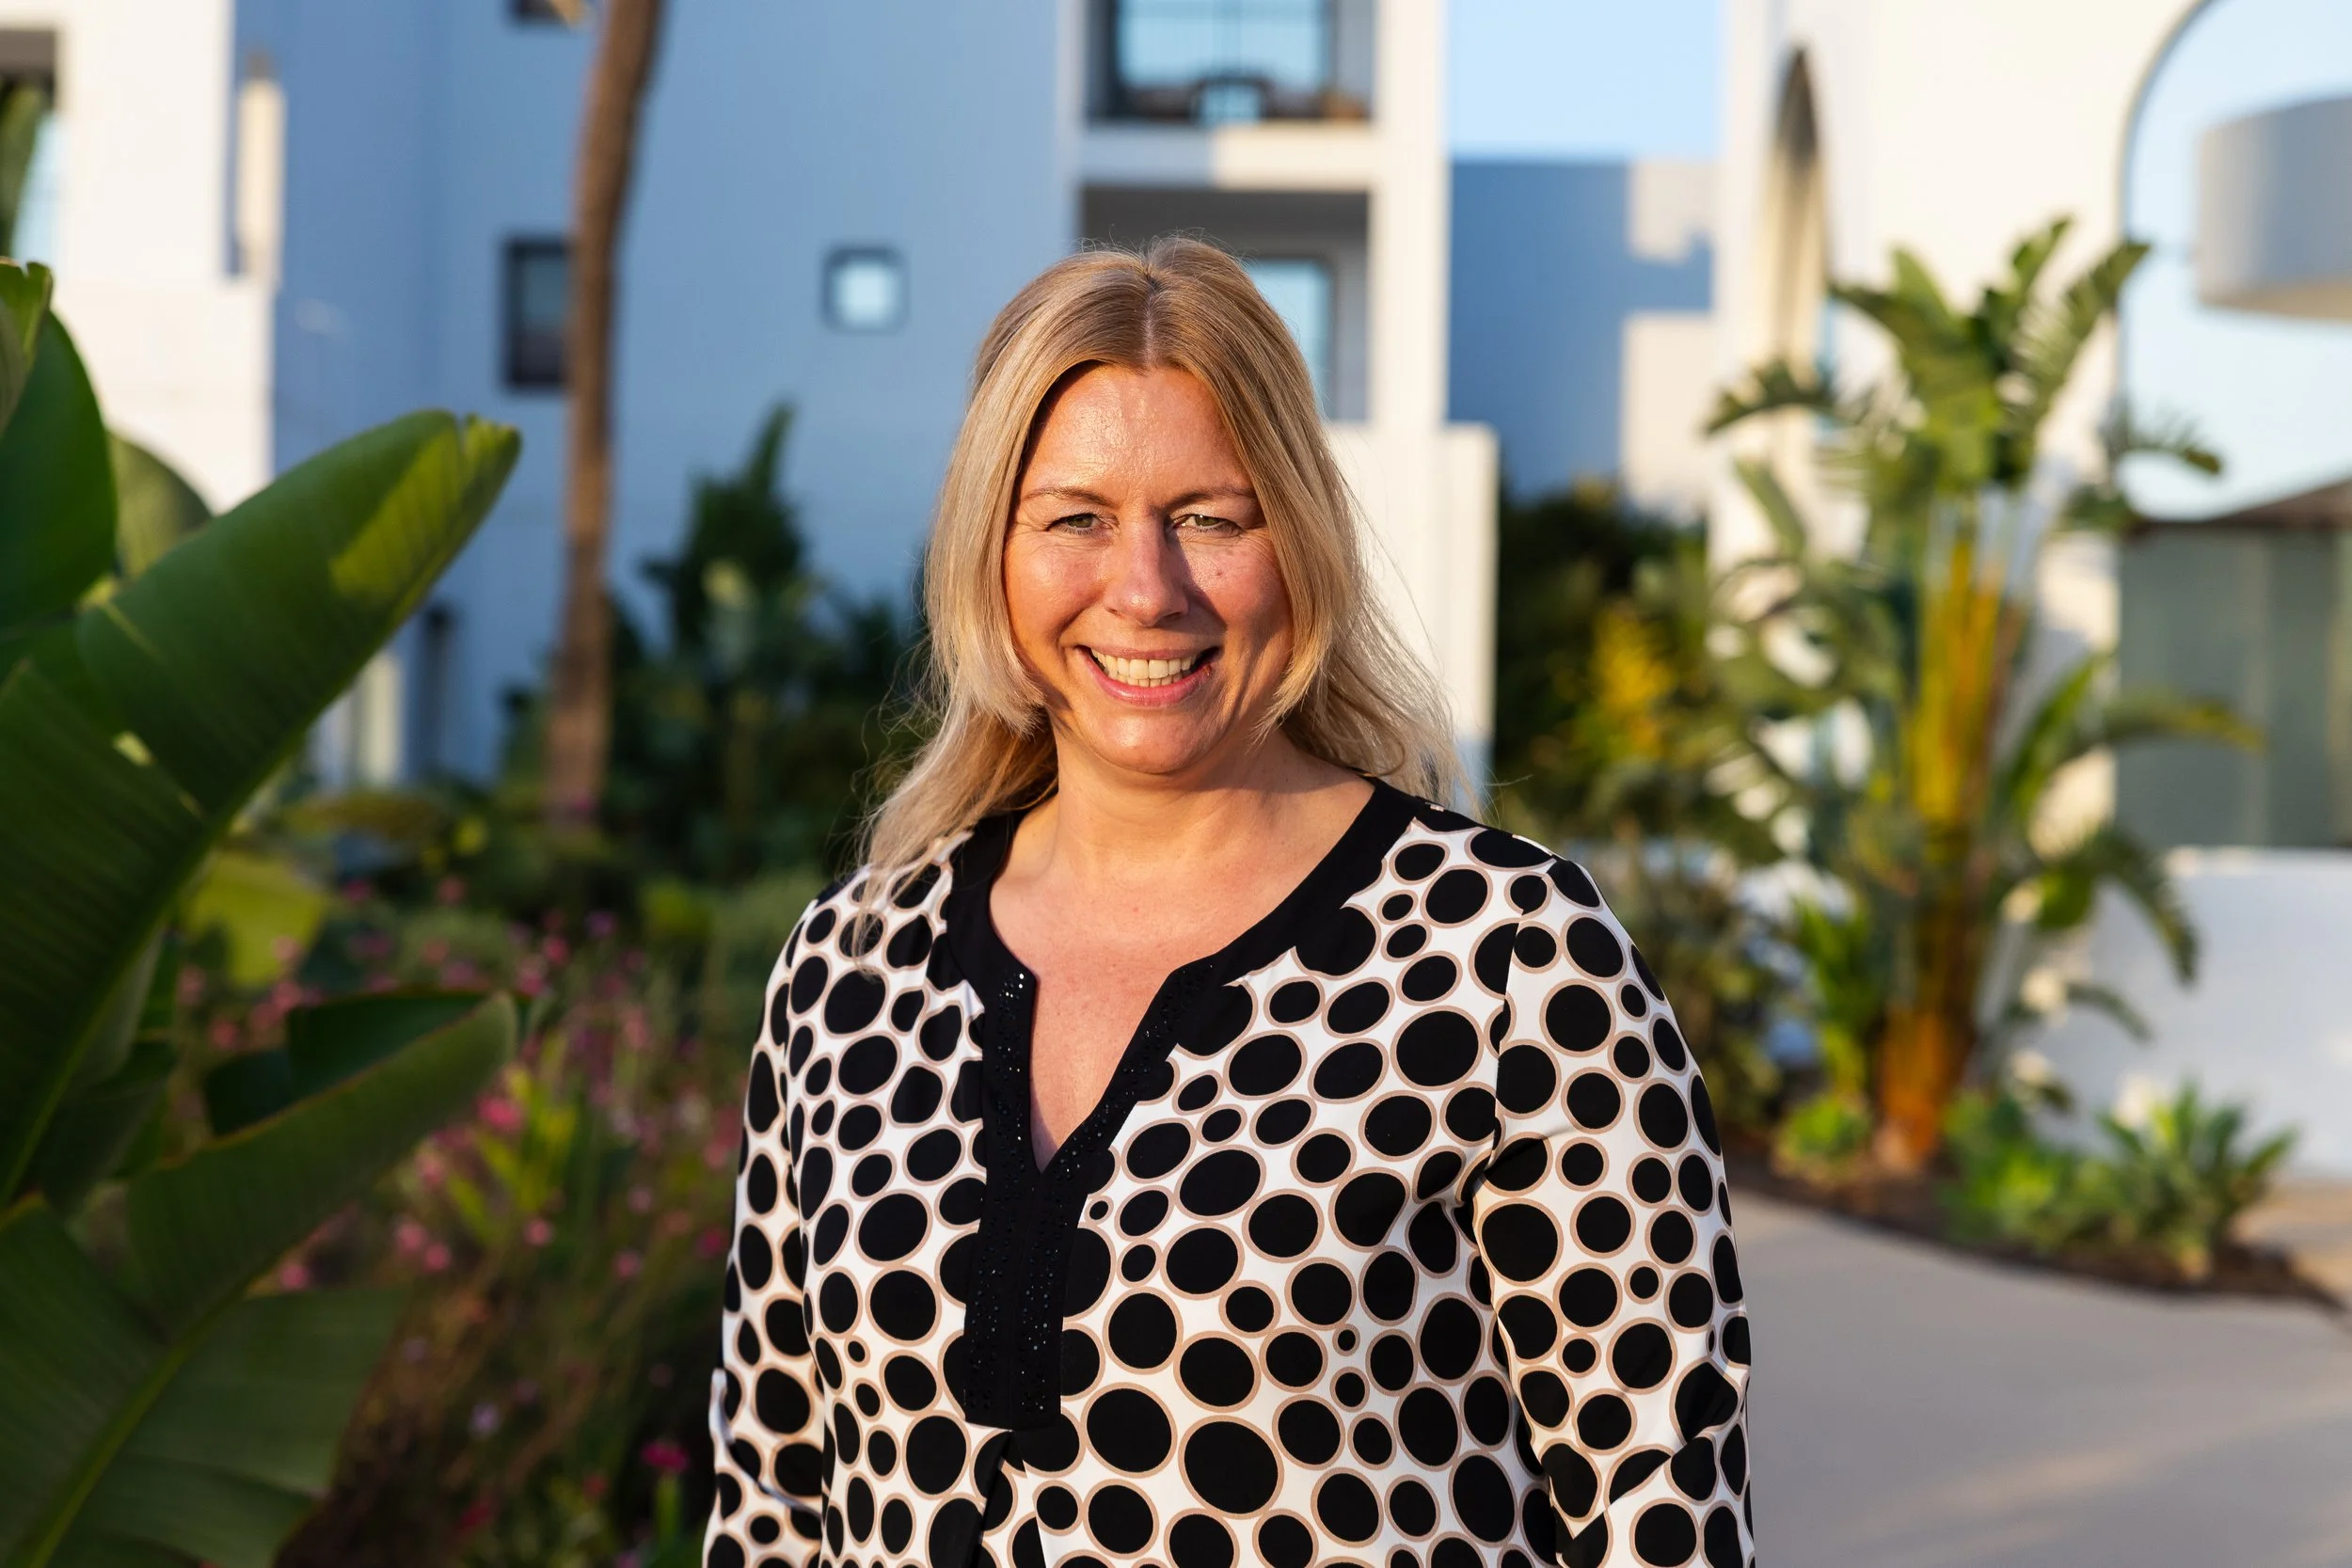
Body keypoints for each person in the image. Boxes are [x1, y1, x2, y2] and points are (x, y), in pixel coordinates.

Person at [705, 238, 1753, 1568]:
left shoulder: (1510, 963)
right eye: (1075, 517)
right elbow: (773, 1497)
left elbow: (1660, 1500)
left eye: (1209, 515)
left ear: (1297, 538)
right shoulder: (849, 967)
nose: (1145, 588)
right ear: (992, 551)